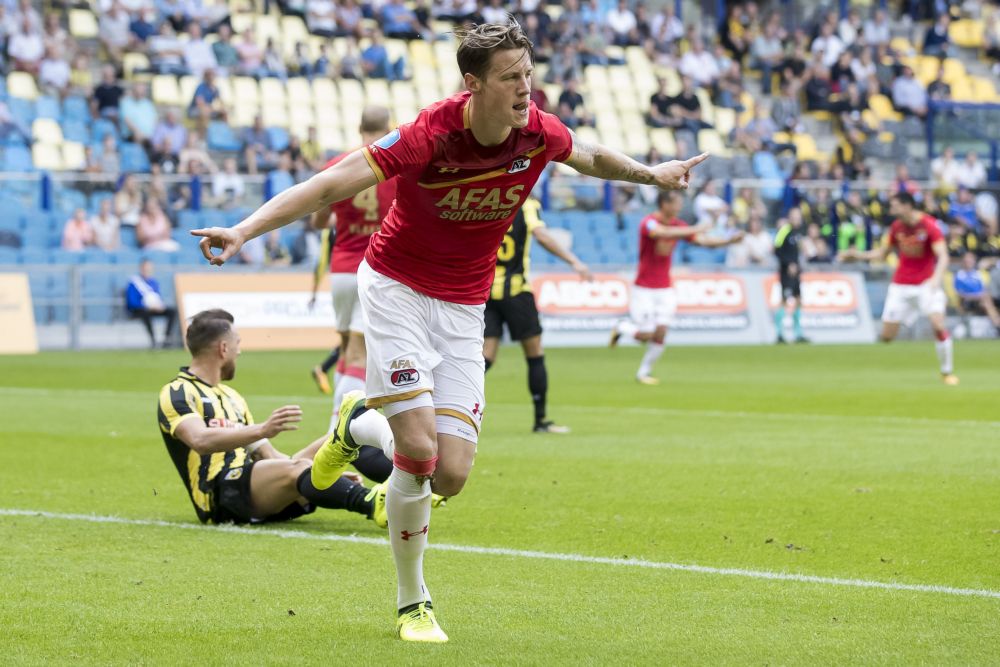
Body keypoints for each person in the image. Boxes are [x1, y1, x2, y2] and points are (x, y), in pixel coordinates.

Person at [191, 18, 708, 643]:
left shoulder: (538, 130)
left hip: (465, 305)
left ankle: (356, 422)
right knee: (417, 450)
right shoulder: (428, 135)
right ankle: (414, 601)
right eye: (511, 78)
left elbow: (591, 156)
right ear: (472, 84)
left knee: (451, 473)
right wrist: (244, 230)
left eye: (529, 75)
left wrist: (653, 174)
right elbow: (328, 183)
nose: (526, 89)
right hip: (397, 290)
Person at [157, 308, 392, 526]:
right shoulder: (177, 392)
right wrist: (262, 430)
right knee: (298, 467)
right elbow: (200, 440)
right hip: (219, 495)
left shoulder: (232, 397)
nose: (240, 351)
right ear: (223, 349)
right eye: (237, 344)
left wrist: (320, 472)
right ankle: (373, 503)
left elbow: (269, 455)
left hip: (255, 488)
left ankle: (412, 482)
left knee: (342, 437)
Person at [308, 106, 397, 421]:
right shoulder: (395, 167)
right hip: (376, 269)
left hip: (342, 268)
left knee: (346, 350)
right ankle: (340, 429)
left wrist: (342, 218)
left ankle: (339, 422)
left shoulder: (339, 165)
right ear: (388, 128)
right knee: (362, 354)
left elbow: (318, 221)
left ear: (359, 129)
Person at [483, 196, 591, 433]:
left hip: (486, 291)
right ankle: (540, 420)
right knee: (534, 354)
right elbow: (540, 234)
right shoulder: (527, 204)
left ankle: (446, 406)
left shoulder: (490, 200)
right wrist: (574, 261)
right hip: (517, 292)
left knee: (485, 356)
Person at [610, 190, 742, 383]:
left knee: (661, 331)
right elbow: (662, 233)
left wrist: (727, 241)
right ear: (664, 204)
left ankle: (644, 372)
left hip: (665, 289)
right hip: (644, 289)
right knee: (645, 334)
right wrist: (696, 228)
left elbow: (704, 241)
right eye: (676, 203)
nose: (680, 206)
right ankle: (622, 327)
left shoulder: (678, 225)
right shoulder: (649, 222)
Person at [838, 192, 958, 385]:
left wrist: (936, 278)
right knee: (887, 337)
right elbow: (882, 253)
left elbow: (943, 255)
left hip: (926, 284)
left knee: (937, 324)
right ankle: (906, 320)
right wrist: (857, 255)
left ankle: (947, 373)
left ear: (907, 206)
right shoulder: (896, 227)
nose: (891, 209)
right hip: (901, 286)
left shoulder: (929, 225)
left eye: (894, 205)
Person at [773, 207, 809, 344]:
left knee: (799, 299)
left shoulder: (798, 232)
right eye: (794, 216)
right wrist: (788, 264)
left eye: (799, 216)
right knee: (784, 300)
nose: (797, 218)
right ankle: (779, 333)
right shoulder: (784, 231)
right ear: (789, 217)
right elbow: (776, 249)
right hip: (785, 271)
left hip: (796, 271)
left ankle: (798, 333)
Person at [126, 259, 180, 348]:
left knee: (172, 311)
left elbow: (157, 297)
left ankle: (166, 340)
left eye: (149, 268)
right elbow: (132, 302)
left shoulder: (153, 282)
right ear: (141, 268)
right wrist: (146, 306)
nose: (147, 270)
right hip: (140, 309)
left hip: (153, 308)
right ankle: (153, 340)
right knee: (145, 313)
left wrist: (159, 306)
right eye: (145, 268)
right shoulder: (133, 283)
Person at [953, 251, 1000, 332]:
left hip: (981, 300)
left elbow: (984, 289)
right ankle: (997, 325)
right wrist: (977, 296)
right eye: (967, 259)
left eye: (971, 259)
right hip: (966, 300)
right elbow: (959, 293)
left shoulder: (978, 274)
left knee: (987, 300)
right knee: (986, 301)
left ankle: (997, 324)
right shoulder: (959, 275)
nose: (969, 261)